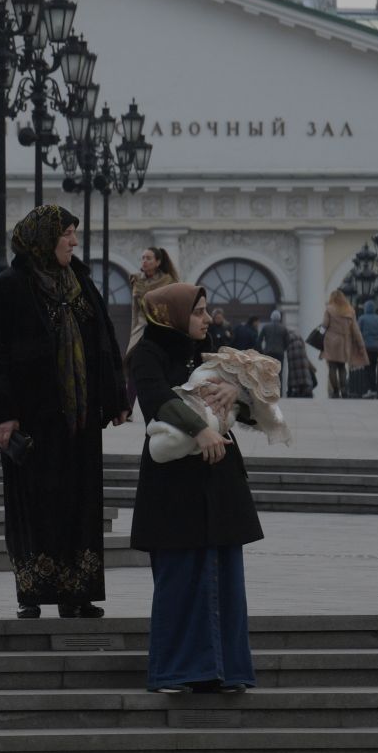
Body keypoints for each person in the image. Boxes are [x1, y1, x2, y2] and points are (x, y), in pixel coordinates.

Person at [0, 205, 130, 619]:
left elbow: (104, 340)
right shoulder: (10, 287)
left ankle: (76, 593)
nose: (74, 242)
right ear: (44, 238)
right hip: (34, 422)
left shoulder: (80, 282)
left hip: (79, 423)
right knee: (36, 504)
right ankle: (33, 591)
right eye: (67, 233)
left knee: (79, 505)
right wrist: (3, 416)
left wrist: (116, 397)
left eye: (74, 234)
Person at [129, 281, 263, 694]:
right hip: (175, 488)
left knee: (224, 576)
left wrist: (237, 392)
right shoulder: (146, 353)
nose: (207, 318)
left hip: (218, 480)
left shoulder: (207, 353)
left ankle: (226, 671)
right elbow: (156, 399)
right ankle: (178, 670)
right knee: (181, 579)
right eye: (199, 310)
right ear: (173, 314)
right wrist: (200, 429)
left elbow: (257, 410)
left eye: (206, 310)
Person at [126, 247, 178, 355]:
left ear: (158, 262)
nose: (144, 261)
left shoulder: (167, 281)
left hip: (160, 325)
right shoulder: (137, 280)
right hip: (141, 325)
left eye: (149, 258)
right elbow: (135, 309)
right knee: (131, 355)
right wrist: (133, 330)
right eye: (143, 258)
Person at [320, 290, 367, 399]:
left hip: (330, 340)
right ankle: (344, 390)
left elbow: (324, 325)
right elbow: (355, 329)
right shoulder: (350, 310)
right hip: (344, 341)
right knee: (342, 367)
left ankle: (335, 391)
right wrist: (361, 344)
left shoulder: (329, 309)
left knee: (332, 366)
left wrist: (320, 335)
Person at [356, 301, 378, 398]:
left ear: (365, 308)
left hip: (365, 347)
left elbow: (358, 333)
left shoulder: (362, 319)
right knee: (373, 368)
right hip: (376, 348)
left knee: (367, 369)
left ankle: (371, 389)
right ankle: (373, 389)